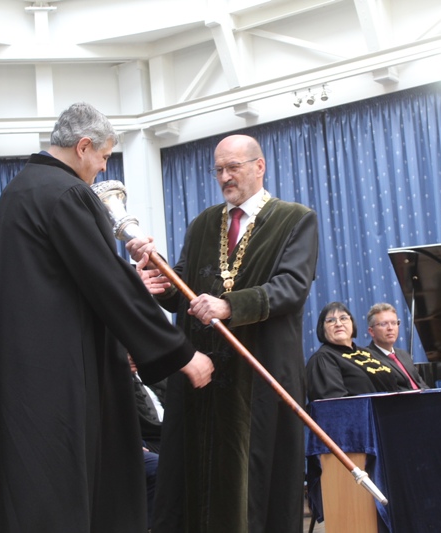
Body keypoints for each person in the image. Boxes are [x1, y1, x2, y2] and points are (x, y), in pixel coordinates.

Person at [0, 102, 214, 533]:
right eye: (104, 156)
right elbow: (105, 283)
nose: (104, 168)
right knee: (70, 487)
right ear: (83, 146)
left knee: (33, 485)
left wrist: (126, 278)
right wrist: (180, 352)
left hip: (26, 367)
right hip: (62, 371)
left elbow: (58, 279)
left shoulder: (18, 190)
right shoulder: (68, 192)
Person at [127, 134, 319, 533]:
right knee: (194, 481)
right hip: (204, 380)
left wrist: (230, 305)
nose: (225, 177)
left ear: (259, 166)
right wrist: (155, 274)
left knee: (255, 484)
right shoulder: (203, 223)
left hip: (260, 373)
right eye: (218, 170)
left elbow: (292, 286)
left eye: (233, 167)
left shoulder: (295, 219)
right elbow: (183, 290)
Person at [306, 302, 400, 401]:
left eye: (343, 318)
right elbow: (335, 404)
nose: (338, 324)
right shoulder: (323, 359)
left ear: (352, 323)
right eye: (331, 321)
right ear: (322, 328)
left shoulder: (369, 353)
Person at [129, 354, 166, 530]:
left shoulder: (154, 375)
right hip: (139, 442)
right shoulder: (113, 381)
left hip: (166, 436)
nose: (131, 357)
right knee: (160, 465)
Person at [366, 303, 429, 391]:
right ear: (371, 331)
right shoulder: (368, 358)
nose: (390, 328)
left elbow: (421, 384)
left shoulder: (404, 354)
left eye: (394, 323)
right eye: (383, 324)